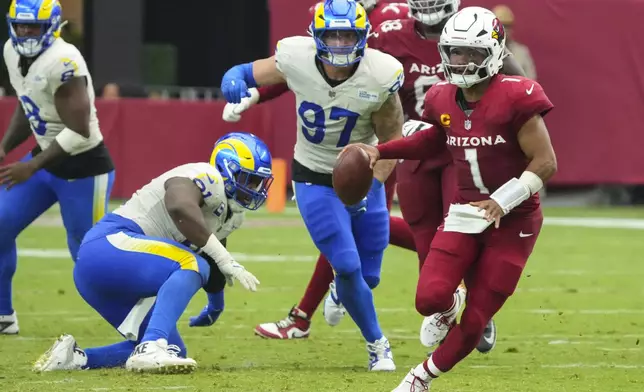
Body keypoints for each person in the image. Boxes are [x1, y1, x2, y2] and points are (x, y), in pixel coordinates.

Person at [352, 7, 557, 390]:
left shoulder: (518, 94)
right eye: (454, 52)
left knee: (477, 318)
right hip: (465, 212)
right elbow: (433, 140)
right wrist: (385, 150)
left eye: (471, 53)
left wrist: (502, 201)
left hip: (514, 222)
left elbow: (546, 162)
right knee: (429, 298)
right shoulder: (442, 96)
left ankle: (421, 378)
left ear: (494, 53)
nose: (460, 61)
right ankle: (449, 307)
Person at [220, 0, 403, 371]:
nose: (338, 43)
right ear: (316, 35)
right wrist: (235, 76)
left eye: (347, 34)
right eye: (331, 34)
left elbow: (391, 140)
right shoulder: (296, 56)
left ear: (363, 36)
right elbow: (251, 71)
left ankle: (342, 287)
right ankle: (378, 345)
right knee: (349, 266)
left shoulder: (381, 74)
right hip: (313, 177)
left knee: (369, 276)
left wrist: (368, 188)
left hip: (364, 176)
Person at [33, 132, 272, 373]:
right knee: (190, 263)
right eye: (249, 179)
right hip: (108, 245)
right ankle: (150, 347)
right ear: (227, 168)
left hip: (105, 275)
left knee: (174, 349)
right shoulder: (205, 175)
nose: (254, 188)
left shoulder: (231, 215)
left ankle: (75, 359)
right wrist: (224, 260)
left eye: (258, 182)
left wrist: (215, 304)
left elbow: (213, 254)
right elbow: (179, 205)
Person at [0, 0, 115, 334]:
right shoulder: (12, 51)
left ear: (50, 26)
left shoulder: (63, 60)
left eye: (32, 27)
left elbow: (80, 131)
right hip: (45, 161)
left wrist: (32, 165)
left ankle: (142, 317)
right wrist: (6, 145)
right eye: (20, 26)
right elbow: (28, 102)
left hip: (84, 167)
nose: (25, 33)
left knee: (89, 256)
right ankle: (3, 314)